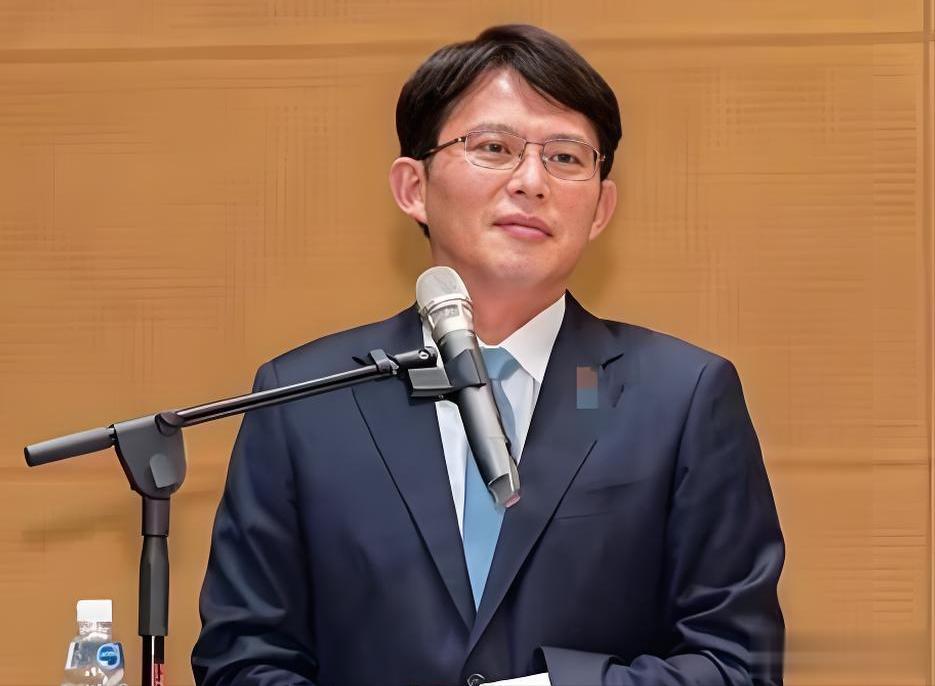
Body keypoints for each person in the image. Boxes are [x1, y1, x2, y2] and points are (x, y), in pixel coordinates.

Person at [191, 24, 784, 686]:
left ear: (600, 208)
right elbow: (244, 658)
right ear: (412, 186)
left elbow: (735, 663)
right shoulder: (305, 399)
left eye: (565, 158)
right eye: (494, 148)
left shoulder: (681, 397)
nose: (531, 181)